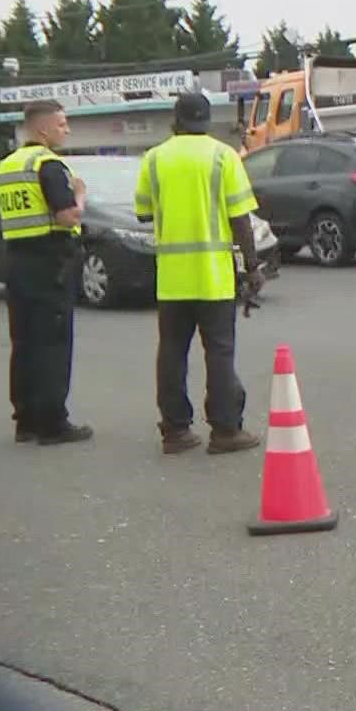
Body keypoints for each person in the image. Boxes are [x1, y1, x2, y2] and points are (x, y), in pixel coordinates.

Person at [135, 92, 263, 455]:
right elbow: (240, 218)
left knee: (172, 352)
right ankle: (225, 430)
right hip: (212, 276)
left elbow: (144, 214)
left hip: (172, 277)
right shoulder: (223, 156)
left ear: (175, 121)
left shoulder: (154, 158)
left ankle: (175, 431)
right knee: (219, 352)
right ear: (206, 121)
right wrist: (252, 267)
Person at [0, 100, 92, 445]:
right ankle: (53, 423)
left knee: (25, 341)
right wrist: (79, 196)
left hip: (17, 261)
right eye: (62, 124)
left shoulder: (5, 168)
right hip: (51, 262)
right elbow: (67, 216)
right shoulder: (48, 164)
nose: (67, 130)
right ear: (43, 129)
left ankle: (27, 420)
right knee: (54, 342)